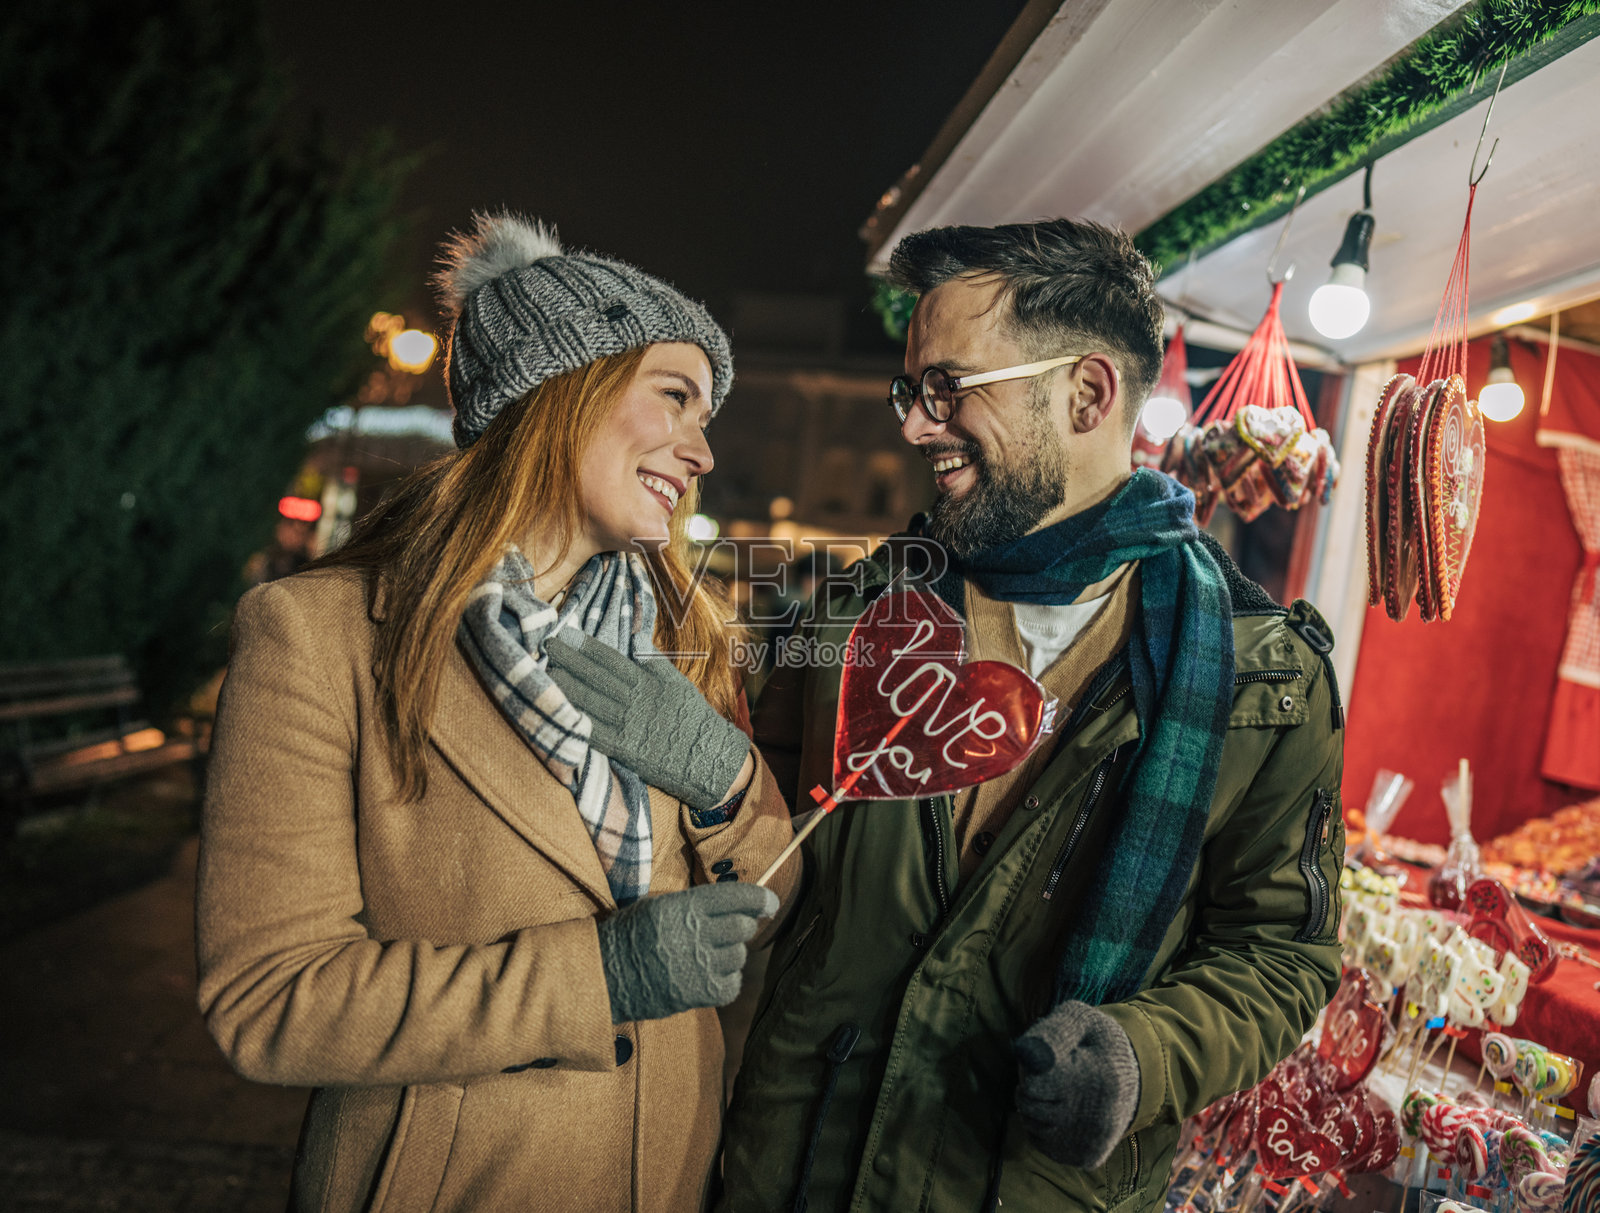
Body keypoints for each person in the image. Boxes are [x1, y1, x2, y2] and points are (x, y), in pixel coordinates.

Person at [719, 218, 1345, 1212]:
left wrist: (1141, 1056)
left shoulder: (1263, 679)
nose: (916, 426)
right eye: (910, 391)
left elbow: (1279, 953)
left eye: (947, 389)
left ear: (1087, 392)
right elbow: (757, 838)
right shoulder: (854, 614)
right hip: (793, 1166)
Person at [196, 213, 797, 1213]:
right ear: (562, 392)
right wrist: (604, 976)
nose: (701, 451)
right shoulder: (319, 634)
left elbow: (763, 918)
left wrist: (727, 780)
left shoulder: (684, 634)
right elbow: (271, 999)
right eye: (677, 399)